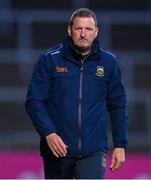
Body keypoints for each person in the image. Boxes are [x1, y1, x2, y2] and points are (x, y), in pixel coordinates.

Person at [25, 8, 128, 179]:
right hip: (56, 150)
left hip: (93, 152)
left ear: (96, 32)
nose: (83, 34)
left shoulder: (109, 63)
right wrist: (48, 133)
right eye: (79, 29)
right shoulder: (49, 59)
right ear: (69, 30)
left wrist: (120, 144)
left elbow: (118, 105)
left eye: (88, 29)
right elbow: (34, 101)